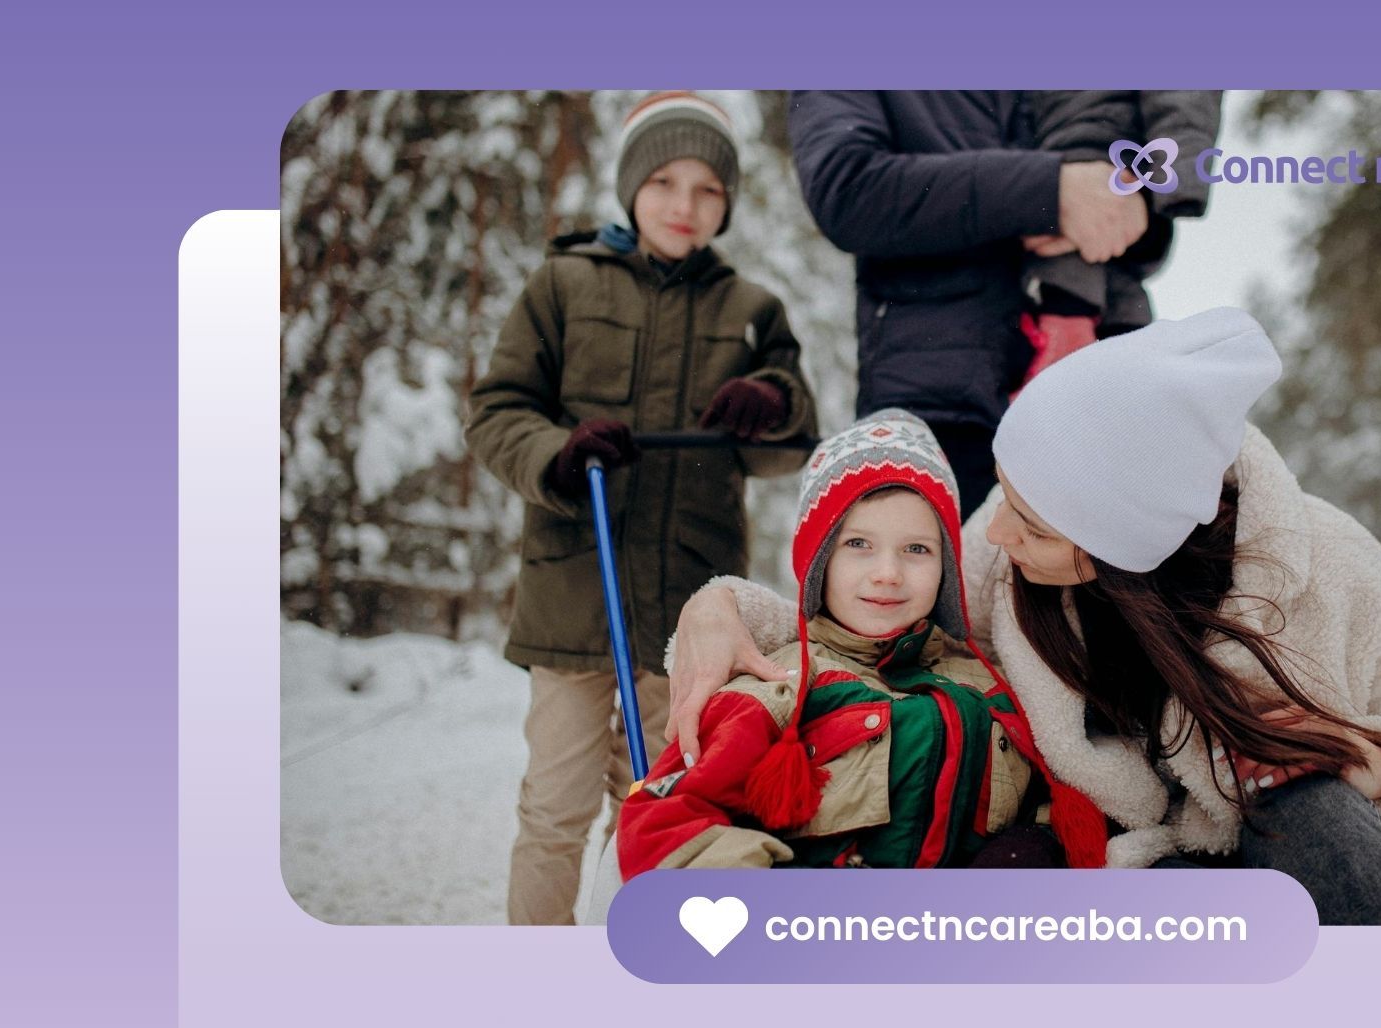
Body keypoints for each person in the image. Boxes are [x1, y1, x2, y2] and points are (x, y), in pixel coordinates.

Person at [666, 308, 1381, 925]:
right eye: (1003, 493)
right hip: (1129, 885)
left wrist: (1377, 761)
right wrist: (721, 603)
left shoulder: (1339, 576)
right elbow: (881, 628)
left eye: (1029, 521)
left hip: (1299, 872)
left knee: (1316, 809)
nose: (992, 533)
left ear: (1120, 540)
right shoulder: (1005, 564)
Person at [465, 91, 817, 924]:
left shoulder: (751, 310)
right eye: (664, 182)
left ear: (727, 202)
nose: (684, 206)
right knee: (553, 810)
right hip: (572, 596)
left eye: (707, 189)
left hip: (690, 610)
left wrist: (770, 401)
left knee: (663, 802)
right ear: (630, 188)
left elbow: (792, 440)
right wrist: (557, 451)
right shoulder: (562, 284)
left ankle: (643, 962)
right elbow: (497, 411)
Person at [616, 411, 1104, 875]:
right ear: (820, 560)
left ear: (946, 569)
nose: (888, 574)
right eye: (858, 545)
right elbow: (663, 823)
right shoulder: (780, 686)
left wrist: (1031, 849)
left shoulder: (987, 687)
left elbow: (1044, 806)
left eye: (917, 549)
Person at [788, 91, 1154, 519]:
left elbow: (1128, 184)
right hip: (942, 417)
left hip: (1092, 397)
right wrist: (1049, 192)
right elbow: (847, 188)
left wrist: (1137, 213)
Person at [1017, 91, 1222, 388]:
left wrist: (1176, 181)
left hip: (1106, 168)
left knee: (1093, 316)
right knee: (1117, 327)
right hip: (1061, 177)